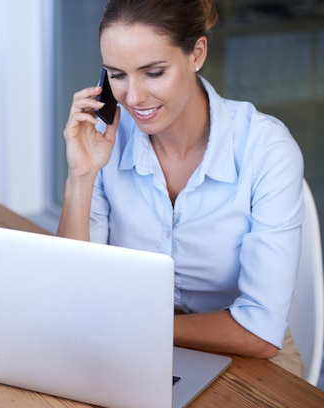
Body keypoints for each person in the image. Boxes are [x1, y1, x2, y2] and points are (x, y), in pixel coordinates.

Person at [57, 0, 305, 376]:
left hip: (240, 351)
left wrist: (134, 328)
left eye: (153, 72)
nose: (134, 97)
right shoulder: (107, 138)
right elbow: (70, 289)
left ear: (196, 54)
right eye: (116, 75)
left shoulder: (266, 150)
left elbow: (259, 332)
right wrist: (81, 175)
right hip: (127, 338)